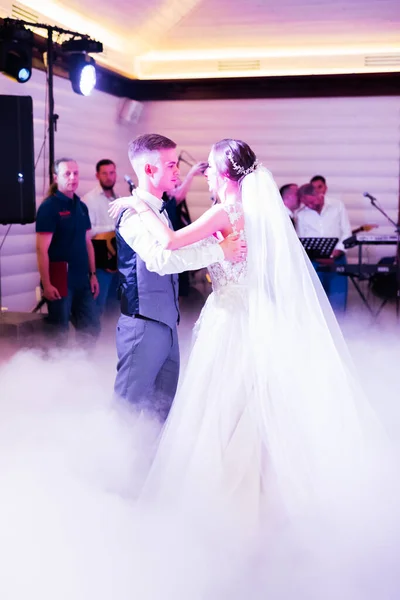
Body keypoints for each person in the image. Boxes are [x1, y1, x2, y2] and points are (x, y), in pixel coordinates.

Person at [110, 139, 389, 541]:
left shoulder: (224, 212)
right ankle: (269, 493)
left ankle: (225, 498)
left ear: (224, 173)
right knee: (253, 402)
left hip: (229, 320)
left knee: (223, 405)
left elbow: (170, 245)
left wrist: (134, 206)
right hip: (254, 315)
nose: (201, 172)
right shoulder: (258, 213)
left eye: (207, 166)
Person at [112, 134, 246, 422]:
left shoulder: (159, 210)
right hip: (143, 323)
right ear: (149, 170)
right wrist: (219, 251)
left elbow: (180, 243)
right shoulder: (132, 215)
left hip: (168, 324)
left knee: (163, 408)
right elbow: (162, 261)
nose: (178, 171)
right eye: (171, 165)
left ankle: (152, 465)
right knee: (127, 406)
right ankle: (110, 465)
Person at [35, 158, 101, 345]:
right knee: (60, 332)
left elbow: (88, 243)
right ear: (56, 178)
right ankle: (58, 370)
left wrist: (93, 274)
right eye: (67, 174)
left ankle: (83, 366)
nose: (73, 177)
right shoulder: (49, 208)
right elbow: (41, 249)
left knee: (92, 327)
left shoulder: (81, 206)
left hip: (82, 279)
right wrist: (47, 284)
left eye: (76, 173)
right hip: (60, 279)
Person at [296, 180, 352, 313]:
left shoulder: (337, 205)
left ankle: (343, 328)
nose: (310, 205)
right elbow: (300, 239)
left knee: (338, 297)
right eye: (306, 204)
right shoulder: (301, 214)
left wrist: (336, 252)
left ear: (319, 194)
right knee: (315, 298)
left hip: (337, 257)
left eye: (311, 202)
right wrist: (315, 255)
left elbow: (346, 231)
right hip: (314, 261)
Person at [83, 159, 120, 317]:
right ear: (97, 175)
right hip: (99, 261)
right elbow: (88, 232)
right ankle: (95, 340)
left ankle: (111, 339)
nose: (108, 177)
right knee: (98, 306)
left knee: (115, 307)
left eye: (112, 173)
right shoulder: (89, 200)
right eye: (104, 173)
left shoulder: (118, 198)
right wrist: (112, 228)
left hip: (117, 260)